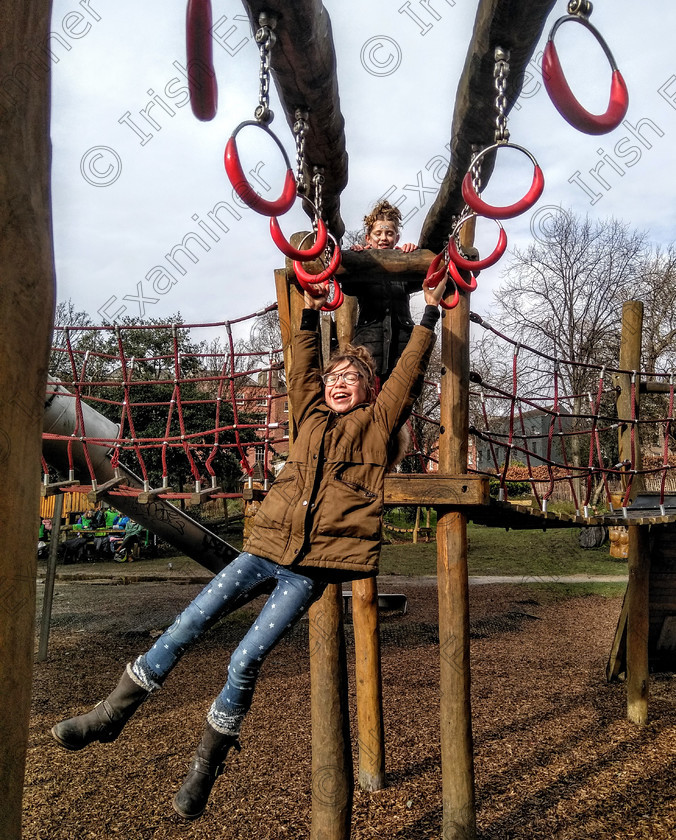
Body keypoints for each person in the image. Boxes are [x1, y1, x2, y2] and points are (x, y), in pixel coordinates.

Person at [50, 275, 448, 821]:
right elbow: (303, 366)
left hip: (309, 569)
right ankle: (112, 714)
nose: (338, 383)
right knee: (187, 625)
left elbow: (407, 375)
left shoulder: (377, 427)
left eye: (351, 378)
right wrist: (310, 314)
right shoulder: (308, 416)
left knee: (245, 659)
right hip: (263, 549)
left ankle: (204, 769)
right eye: (334, 376)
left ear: (368, 390)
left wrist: (428, 316)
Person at [344, 199, 420, 382]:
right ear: (368, 238)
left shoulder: (403, 264)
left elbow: (421, 280)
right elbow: (348, 286)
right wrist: (357, 257)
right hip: (369, 345)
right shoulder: (364, 263)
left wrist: (413, 254)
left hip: (401, 344)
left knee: (399, 394)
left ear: (397, 238)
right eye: (378, 233)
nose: (384, 238)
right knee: (369, 396)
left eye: (389, 233)